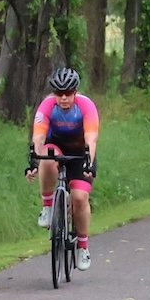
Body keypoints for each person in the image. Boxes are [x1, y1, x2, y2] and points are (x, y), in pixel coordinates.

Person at [26, 67, 99, 271]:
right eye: (59, 93)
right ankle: (48, 207)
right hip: (55, 146)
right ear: (54, 93)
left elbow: (91, 138)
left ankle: (82, 247)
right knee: (47, 158)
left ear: (75, 92)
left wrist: (89, 162)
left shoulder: (86, 106)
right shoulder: (47, 106)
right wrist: (33, 161)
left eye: (68, 93)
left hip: (79, 152)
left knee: (79, 198)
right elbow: (39, 137)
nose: (64, 98)